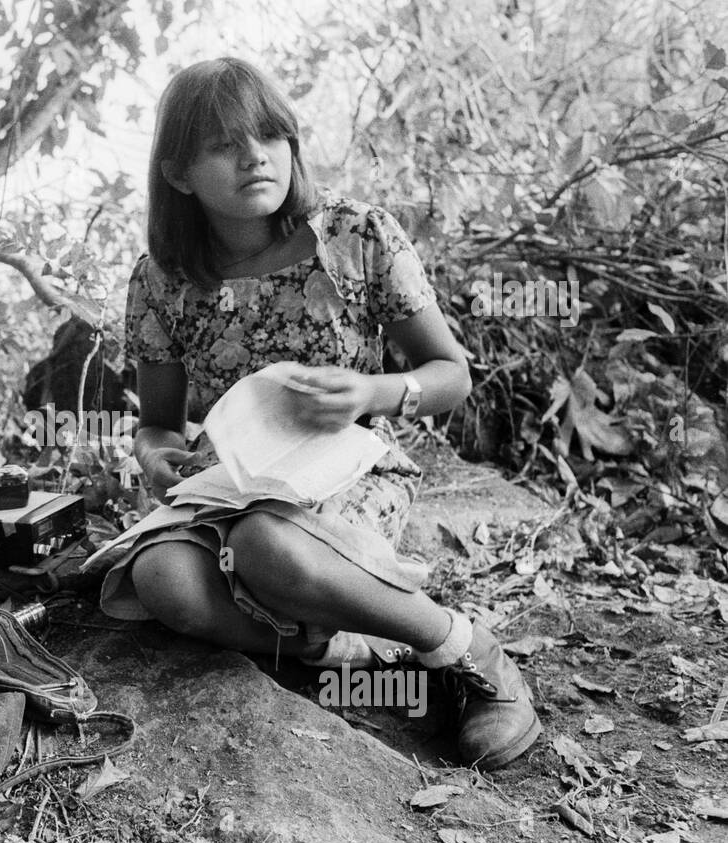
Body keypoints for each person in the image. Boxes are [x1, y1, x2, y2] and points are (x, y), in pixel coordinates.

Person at [99, 57, 541, 768]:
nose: (255, 156)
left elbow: (451, 374)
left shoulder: (357, 236)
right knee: (164, 581)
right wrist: (156, 458)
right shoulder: (162, 279)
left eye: (270, 135)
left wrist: (373, 393)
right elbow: (157, 423)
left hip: (349, 469)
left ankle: (465, 649)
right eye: (224, 145)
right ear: (179, 174)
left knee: (266, 546)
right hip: (231, 485)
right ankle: (338, 647)